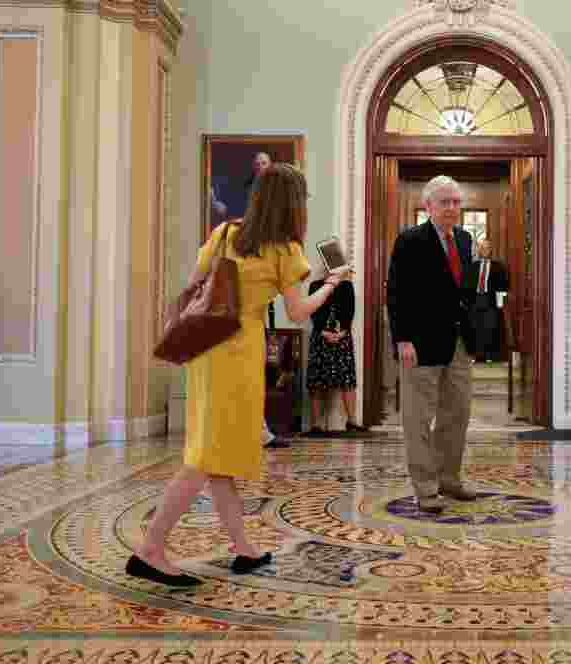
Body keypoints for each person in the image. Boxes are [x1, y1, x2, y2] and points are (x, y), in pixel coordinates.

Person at [126, 163, 353, 587]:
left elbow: (195, 285)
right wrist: (332, 284)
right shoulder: (285, 249)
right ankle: (151, 548)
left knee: (218, 453)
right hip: (237, 355)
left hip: (206, 351)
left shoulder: (226, 232)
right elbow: (298, 312)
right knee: (207, 456)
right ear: (292, 204)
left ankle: (242, 548)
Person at [387, 175, 477, 513]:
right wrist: (403, 338)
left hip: (458, 344)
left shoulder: (466, 240)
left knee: (458, 414)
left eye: (456, 202)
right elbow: (396, 294)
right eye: (445, 202)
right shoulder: (410, 240)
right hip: (420, 343)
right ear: (428, 206)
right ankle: (426, 489)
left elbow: (464, 292)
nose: (453, 208)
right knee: (418, 419)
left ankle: (449, 479)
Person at [302, 262, 363, 437]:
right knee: (316, 380)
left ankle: (352, 421)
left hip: (342, 336)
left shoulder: (347, 286)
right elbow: (314, 311)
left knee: (347, 379)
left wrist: (342, 331)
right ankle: (316, 425)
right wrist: (324, 332)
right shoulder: (315, 286)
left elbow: (349, 311)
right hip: (320, 337)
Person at [467, 237, 509, 363]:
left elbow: (503, 286)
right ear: (479, 250)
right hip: (475, 301)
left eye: (487, 248)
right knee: (476, 329)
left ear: (491, 250)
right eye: (482, 248)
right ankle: (478, 356)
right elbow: (466, 285)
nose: (485, 250)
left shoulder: (499, 267)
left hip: (491, 301)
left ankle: (491, 356)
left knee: (491, 328)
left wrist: (500, 305)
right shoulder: (472, 267)